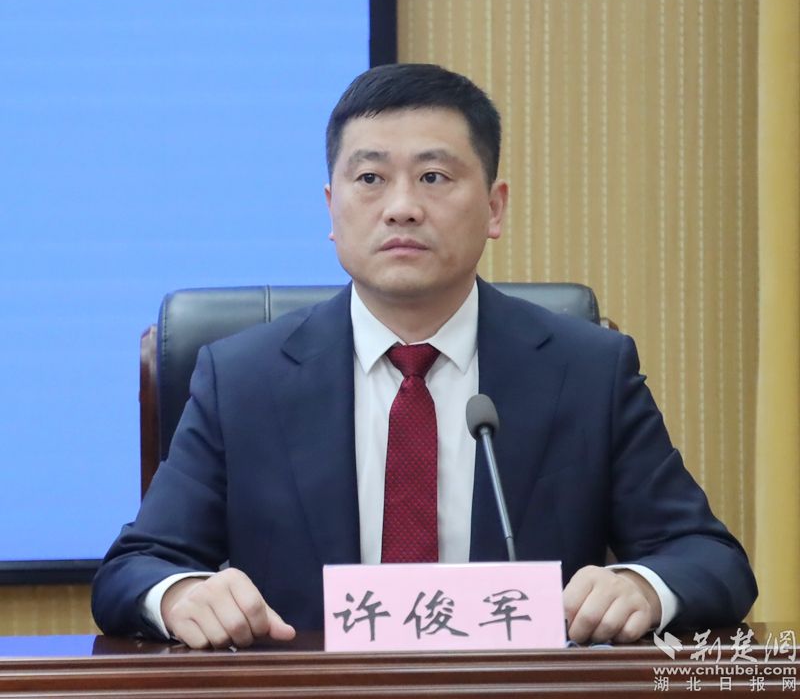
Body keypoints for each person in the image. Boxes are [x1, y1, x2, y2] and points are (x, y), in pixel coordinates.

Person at [92, 63, 757, 650]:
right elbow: (135, 567)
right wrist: (180, 595)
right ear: (332, 209)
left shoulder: (587, 371)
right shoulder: (243, 379)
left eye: (434, 177)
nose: (402, 207)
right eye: (370, 178)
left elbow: (710, 558)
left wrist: (641, 586)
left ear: (494, 208)